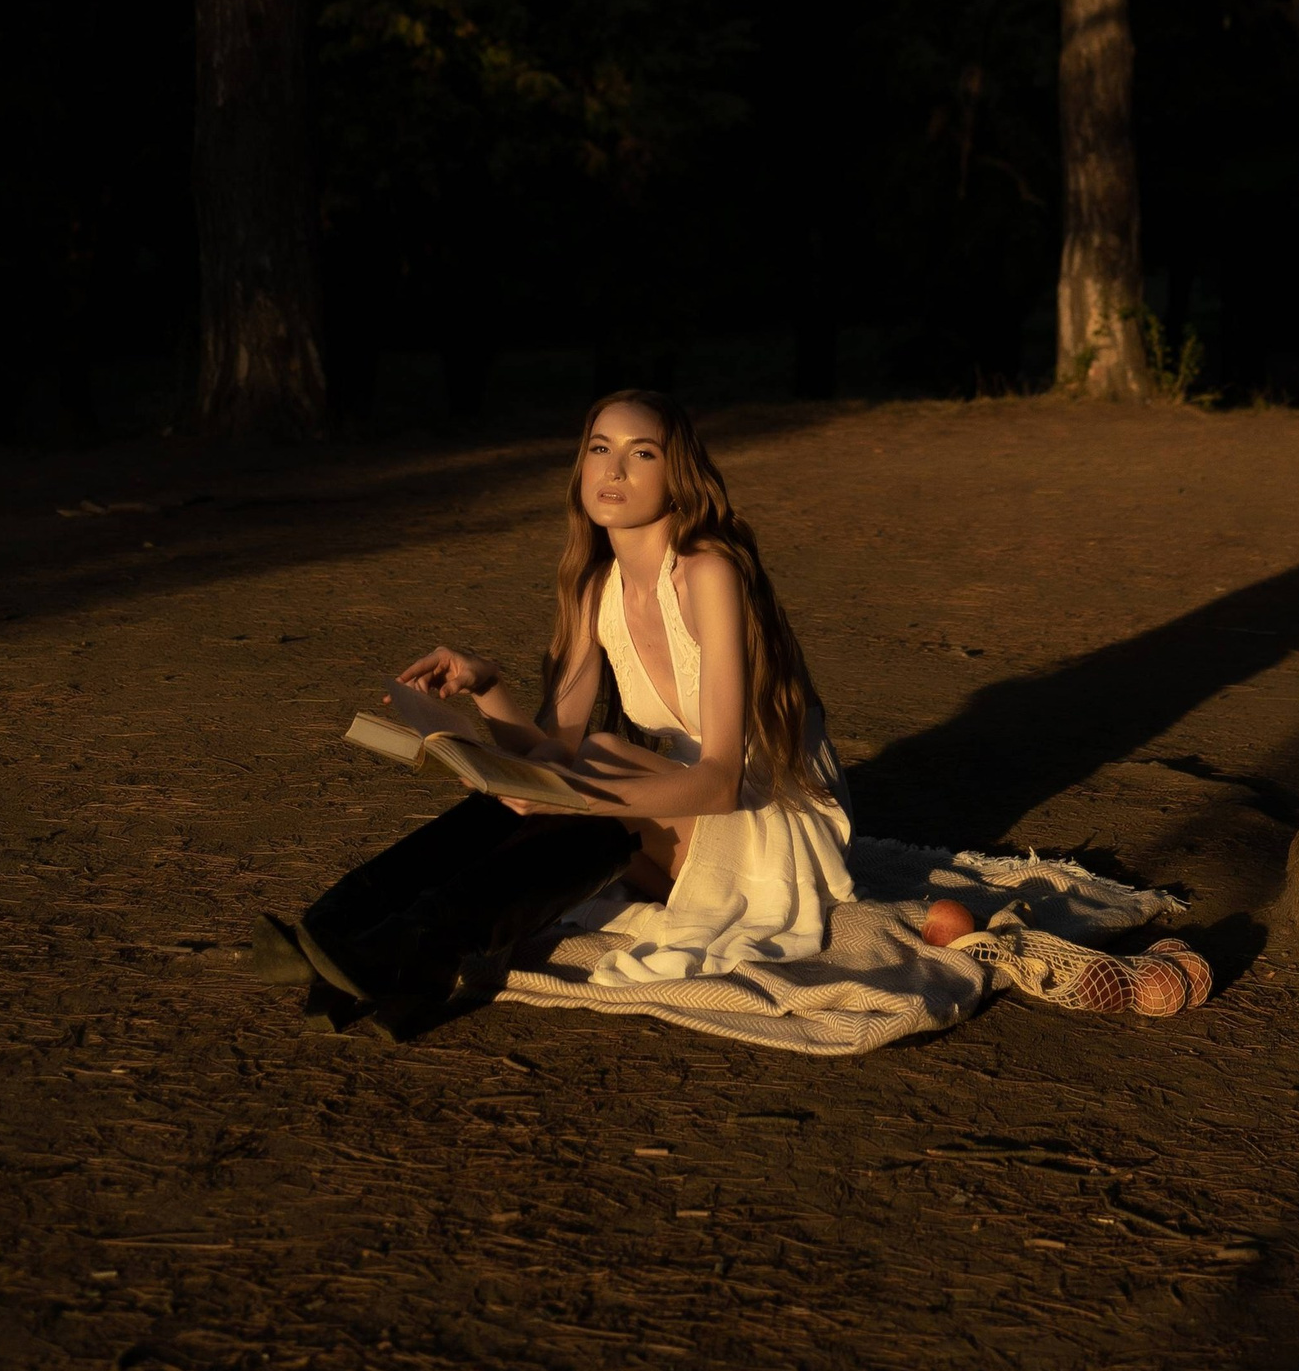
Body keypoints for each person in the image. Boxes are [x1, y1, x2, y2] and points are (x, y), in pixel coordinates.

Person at [258, 391, 853, 1041]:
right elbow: (547, 755)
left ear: (676, 475)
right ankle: (344, 927)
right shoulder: (597, 588)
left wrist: (576, 796)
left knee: (593, 763)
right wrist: (484, 689)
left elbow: (718, 782)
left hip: (770, 817)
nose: (614, 469)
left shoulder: (708, 571)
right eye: (600, 448)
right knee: (561, 778)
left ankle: (406, 953)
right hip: (673, 815)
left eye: (641, 452)